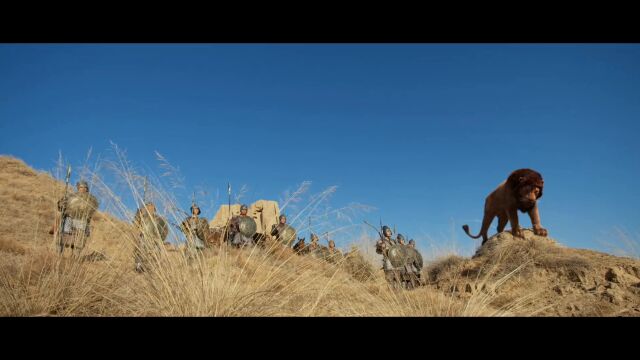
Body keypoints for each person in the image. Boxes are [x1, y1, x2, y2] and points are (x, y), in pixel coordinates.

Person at [52, 180, 99, 255]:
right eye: (81, 187)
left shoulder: (91, 199)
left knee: (79, 240)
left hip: (82, 220)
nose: (82, 189)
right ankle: (58, 255)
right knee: (63, 236)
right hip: (69, 218)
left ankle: (75, 257)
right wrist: (61, 204)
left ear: (87, 188)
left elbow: (93, 209)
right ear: (78, 188)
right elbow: (60, 206)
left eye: (84, 187)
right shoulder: (71, 196)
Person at [133, 202, 169, 272]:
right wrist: (138, 213)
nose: (150, 208)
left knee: (155, 254)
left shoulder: (159, 219)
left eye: (151, 207)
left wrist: (161, 239)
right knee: (140, 251)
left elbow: (165, 229)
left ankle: (153, 269)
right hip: (144, 237)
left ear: (154, 209)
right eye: (148, 207)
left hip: (155, 240)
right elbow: (135, 223)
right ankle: (139, 267)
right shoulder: (142, 217)